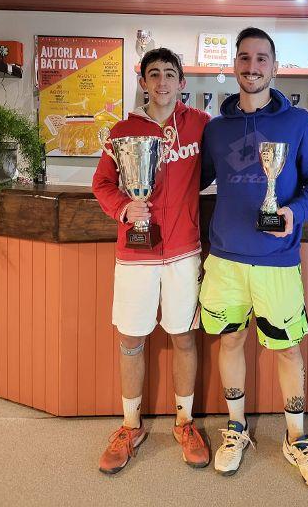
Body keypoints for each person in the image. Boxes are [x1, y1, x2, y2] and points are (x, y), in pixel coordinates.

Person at [199, 27, 308, 492]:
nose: (252, 66)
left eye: (261, 59)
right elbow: (193, 179)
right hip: (225, 260)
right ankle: (236, 429)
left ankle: (296, 439)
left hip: (277, 259)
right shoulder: (215, 129)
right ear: (234, 65)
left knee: (287, 348)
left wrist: (294, 213)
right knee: (230, 341)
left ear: (274, 67)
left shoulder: (297, 123)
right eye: (244, 58)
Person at [92, 47, 210, 474]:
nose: (162, 82)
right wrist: (125, 207)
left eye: (170, 74)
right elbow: (102, 183)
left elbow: (212, 170)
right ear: (143, 81)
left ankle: (184, 422)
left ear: (182, 82)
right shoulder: (122, 130)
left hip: (182, 251)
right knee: (131, 340)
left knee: (183, 338)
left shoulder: (200, 125)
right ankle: (130, 426)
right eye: (154, 74)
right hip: (135, 253)